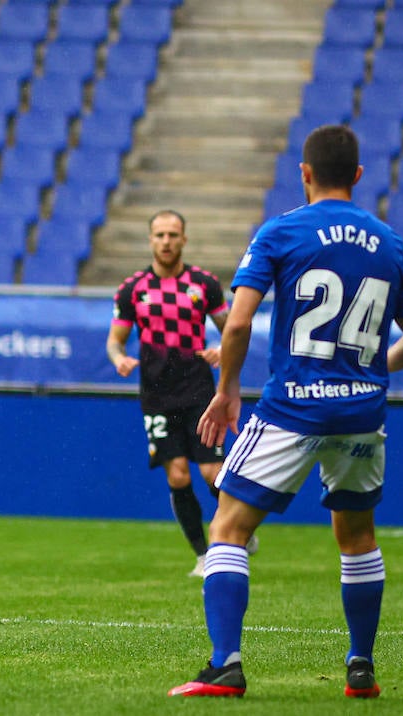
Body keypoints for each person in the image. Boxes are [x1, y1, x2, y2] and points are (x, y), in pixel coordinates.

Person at [170, 125, 403, 698]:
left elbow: (237, 322)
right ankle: (360, 668)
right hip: (363, 414)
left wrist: (228, 389)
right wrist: (373, 371)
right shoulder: (390, 244)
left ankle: (225, 665)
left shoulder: (282, 231)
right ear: (358, 176)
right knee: (358, 537)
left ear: (305, 173)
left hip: (294, 407)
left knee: (229, 529)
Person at [107, 210, 252, 576]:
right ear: (150, 239)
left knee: (211, 472)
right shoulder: (132, 289)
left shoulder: (204, 284)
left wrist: (221, 350)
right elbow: (115, 339)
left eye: (173, 235)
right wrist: (118, 358)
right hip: (156, 395)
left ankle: (239, 527)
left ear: (184, 239)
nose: (166, 241)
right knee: (177, 475)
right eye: (160, 235)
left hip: (200, 391)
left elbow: (232, 327)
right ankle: (205, 555)